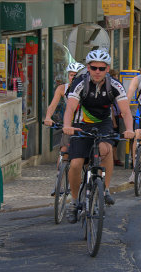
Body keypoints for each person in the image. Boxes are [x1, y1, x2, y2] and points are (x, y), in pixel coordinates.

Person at [63, 50, 135, 223]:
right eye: (93, 67)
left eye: (101, 68)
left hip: (103, 123)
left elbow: (125, 112)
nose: (97, 71)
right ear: (88, 68)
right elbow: (70, 109)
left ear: (107, 69)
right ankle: (74, 202)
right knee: (75, 164)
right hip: (81, 124)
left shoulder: (115, 85)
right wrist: (67, 126)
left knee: (106, 149)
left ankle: (105, 190)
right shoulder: (79, 83)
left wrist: (130, 129)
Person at [44, 62, 85, 196]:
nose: (73, 78)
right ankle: (58, 183)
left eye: (76, 75)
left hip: (84, 124)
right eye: (71, 75)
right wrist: (48, 117)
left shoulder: (86, 88)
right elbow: (53, 104)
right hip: (69, 124)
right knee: (64, 151)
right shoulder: (62, 88)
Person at [109, 69, 124, 167]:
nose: (117, 78)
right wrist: (114, 122)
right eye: (115, 76)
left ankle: (115, 158)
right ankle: (114, 158)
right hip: (113, 117)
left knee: (116, 139)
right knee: (113, 139)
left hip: (117, 116)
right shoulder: (111, 88)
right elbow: (111, 107)